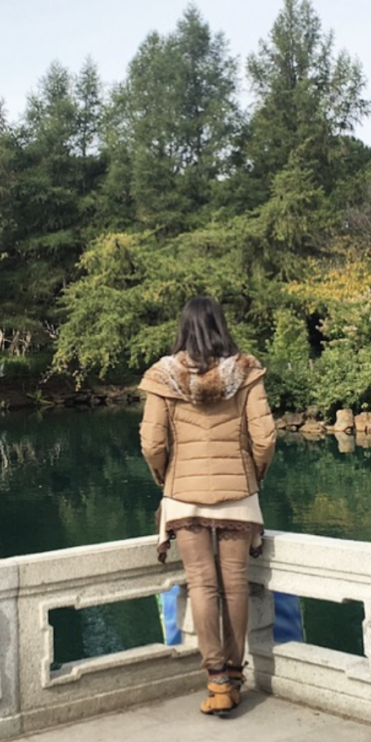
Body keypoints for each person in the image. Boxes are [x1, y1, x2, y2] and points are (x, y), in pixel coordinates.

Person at [139, 296, 276, 716]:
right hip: (238, 495)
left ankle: (216, 682)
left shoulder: (164, 377)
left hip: (185, 497)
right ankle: (236, 678)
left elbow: (152, 443)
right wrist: (252, 477)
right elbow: (265, 438)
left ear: (183, 327)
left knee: (202, 583)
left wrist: (167, 480)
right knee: (234, 583)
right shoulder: (246, 372)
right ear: (221, 324)